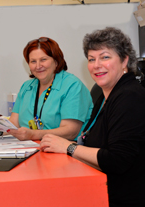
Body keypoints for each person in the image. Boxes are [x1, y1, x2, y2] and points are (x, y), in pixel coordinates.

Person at [40, 27, 145, 206]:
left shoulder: (130, 96)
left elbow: (117, 160)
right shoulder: (102, 95)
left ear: (124, 60)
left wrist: (68, 147)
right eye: (91, 59)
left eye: (105, 57)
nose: (96, 65)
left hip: (123, 198)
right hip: (99, 188)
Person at [0, 37, 92, 141]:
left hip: (64, 152)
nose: (38, 66)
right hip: (31, 149)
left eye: (43, 60)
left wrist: (33, 135)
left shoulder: (72, 86)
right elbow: (14, 124)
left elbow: (70, 131)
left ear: (56, 61)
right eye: (33, 61)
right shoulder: (27, 87)